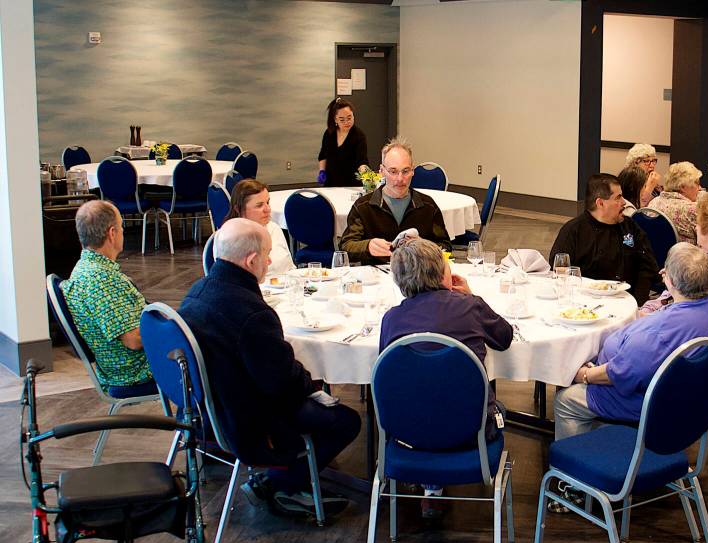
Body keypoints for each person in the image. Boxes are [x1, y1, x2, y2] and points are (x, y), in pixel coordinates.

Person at [178, 218, 361, 516]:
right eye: (267, 254)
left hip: (207, 408)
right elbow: (280, 382)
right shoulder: (251, 312)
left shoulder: (198, 290)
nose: (270, 261)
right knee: (346, 421)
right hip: (246, 419)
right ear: (251, 260)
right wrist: (312, 386)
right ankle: (280, 484)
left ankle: (284, 478)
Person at [379, 239, 513, 517]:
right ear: (442, 274)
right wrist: (471, 296)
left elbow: (391, 374)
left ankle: (432, 488)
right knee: (487, 405)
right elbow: (504, 338)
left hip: (409, 435)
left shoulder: (391, 319)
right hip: (471, 434)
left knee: (426, 394)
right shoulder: (469, 306)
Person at [553, 243, 708, 440]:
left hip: (654, 401)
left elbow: (621, 374)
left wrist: (585, 375)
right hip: (696, 393)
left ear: (670, 280)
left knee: (566, 400)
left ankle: (577, 454)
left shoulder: (657, 333)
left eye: (665, 272)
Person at [60, 200, 151, 390]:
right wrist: (174, 333)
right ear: (112, 233)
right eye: (121, 227)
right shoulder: (101, 280)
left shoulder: (85, 268)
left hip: (126, 366)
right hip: (137, 370)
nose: (123, 232)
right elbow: (134, 340)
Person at [548, 173, 660, 307]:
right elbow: (560, 273)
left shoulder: (630, 227)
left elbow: (647, 267)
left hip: (626, 300)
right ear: (600, 203)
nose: (624, 202)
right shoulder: (574, 231)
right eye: (618, 197)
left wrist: (638, 303)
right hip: (585, 303)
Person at [340, 137, 450, 265]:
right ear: (382, 171)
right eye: (393, 171)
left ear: (413, 171)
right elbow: (346, 246)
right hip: (376, 272)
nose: (400, 179)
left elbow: (446, 246)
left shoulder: (428, 206)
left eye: (405, 171)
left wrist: (423, 246)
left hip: (417, 273)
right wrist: (368, 246)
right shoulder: (363, 206)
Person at [224, 179, 295, 275]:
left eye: (267, 202)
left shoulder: (273, 228)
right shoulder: (231, 240)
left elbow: (290, 267)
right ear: (238, 209)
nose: (268, 209)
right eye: (259, 205)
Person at [317, 97, 369, 187]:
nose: (346, 122)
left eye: (349, 118)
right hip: (330, 184)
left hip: (351, 185)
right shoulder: (329, 133)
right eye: (342, 119)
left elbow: (362, 162)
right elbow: (323, 155)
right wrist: (322, 171)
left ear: (353, 116)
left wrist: (367, 178)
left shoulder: (359, 136)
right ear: (335, 119)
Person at [647, 161, 703, 244]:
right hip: (685, 252)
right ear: (683, 187)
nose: (699, 188)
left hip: (655, 251)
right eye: (697, 183)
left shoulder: (653, 203)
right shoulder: (691, 209)